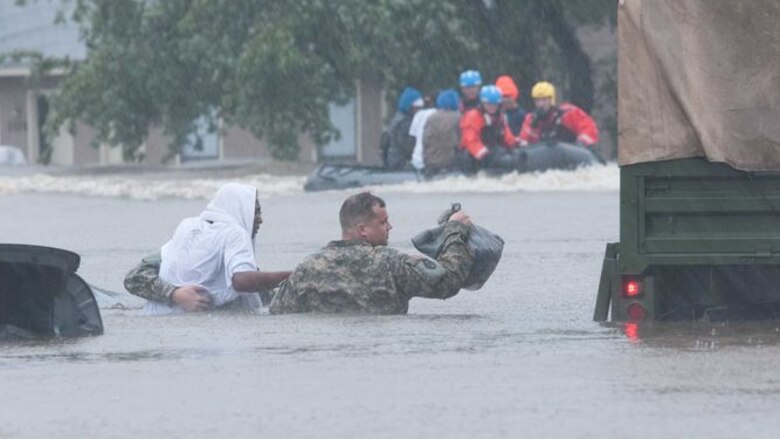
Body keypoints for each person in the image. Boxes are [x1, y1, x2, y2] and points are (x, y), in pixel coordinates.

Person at [269, 192, 475, 315]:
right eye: (383, 222)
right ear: (362, 230)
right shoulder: (390, 263)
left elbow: (278, 313)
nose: (390, 227)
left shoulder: (306, 268)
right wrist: (455, 230)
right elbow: (449, 282)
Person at [124, 183, 291, 314]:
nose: (260, 219)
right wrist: (175, 294)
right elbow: (134, 278)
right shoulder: (215, 233)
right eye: (255, 212)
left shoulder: (192, 228)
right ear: (239, 210)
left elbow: (256, 292)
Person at [458, 85, 521, 173]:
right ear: (482, 103)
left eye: (495, 104)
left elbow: (507, 136)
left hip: (493, 153)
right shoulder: (473, 116)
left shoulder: (499, 116)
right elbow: (470, 140)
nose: (492, 107)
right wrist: (484, 154)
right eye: (489, 104)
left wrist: (517, 143)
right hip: (473, 158)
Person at [519, 81, 599, 149]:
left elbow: (588, 127)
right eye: (537, 101)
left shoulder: (567, 113)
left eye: (544, 100)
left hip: (572, 152)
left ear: (551, 100)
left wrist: (582, 142)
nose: (541, 104)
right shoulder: (531, 120)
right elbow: (524, 140)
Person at [381, 86, 424, 170]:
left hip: (393, 160)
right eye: (417, 108)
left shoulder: (398, 118)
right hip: (400, 164)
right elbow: (407, 146)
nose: (419, 110)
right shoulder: (405, 123)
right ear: (410, 106)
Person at [420, 89, 461, 174]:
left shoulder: (431, 117)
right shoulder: (459, 117)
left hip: (431, 161)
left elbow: (424, 140)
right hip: (451, 163)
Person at [408, 98, 437, 171]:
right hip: (435, 161)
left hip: (417, 160)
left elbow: (412, 137)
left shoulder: (418, 115)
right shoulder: (438, 114)